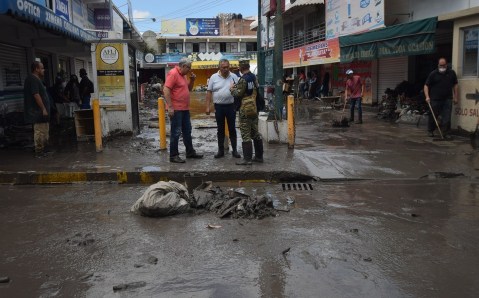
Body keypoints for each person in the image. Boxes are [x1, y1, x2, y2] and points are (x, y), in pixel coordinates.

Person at [163, 57, 203, 163]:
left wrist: (192, 80)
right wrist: (170, 107)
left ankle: (190, 152)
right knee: (176, 132)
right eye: (189, 68)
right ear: (183, 66)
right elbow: (166, 90)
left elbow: (188, 89)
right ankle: (173, 156)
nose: (190, 70)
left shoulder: (183, 75)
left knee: (187, 131)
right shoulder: (173, 73)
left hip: (184, 108)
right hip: (176, 109)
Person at [230, 59, 264, 165]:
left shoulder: (243, 79)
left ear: (241, 67)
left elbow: (238, 94)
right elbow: (256, 90)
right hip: (254, 108)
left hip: (245, 109)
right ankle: (259, 156)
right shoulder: (254, 77)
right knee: (255, 132)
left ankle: (247, 159)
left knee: (245, 134)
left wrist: (231, 89)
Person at [205, 59, 241, 159]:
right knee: (220, 129)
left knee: (232, 129)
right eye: (223, 67)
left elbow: (239, 91)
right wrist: (207, 107)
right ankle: (220, 151)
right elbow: (209, 92)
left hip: (231, 106)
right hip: (219, 107)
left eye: (227, 67)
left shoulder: (234, 76)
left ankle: (235, 151)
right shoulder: (213, 77)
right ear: (219, 68)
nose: (226, 69)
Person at [424, 57, 458, 137]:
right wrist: (427, 96)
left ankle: (446, 133)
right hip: (435, 99)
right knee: (433, 116)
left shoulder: (451, 73)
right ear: (438, 65)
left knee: (447, 116)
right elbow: (426, 85)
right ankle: (430, 131)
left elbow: (455, 85)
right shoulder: (433, 74)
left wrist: (456, 97)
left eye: (444, 65)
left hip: (448, 99)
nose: (442, 67)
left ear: (446, 65)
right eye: (440, 65)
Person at [24, 61, 50, 157]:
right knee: (39, 131)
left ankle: (44, 149)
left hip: (42, 113)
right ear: (36, 69)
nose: (44, 70)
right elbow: (36, 94)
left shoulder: (37, 79)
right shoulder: (32, 79)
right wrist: (43, 108)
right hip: (37, 112)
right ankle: (39, 151)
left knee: (45, 131)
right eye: (42, 68)